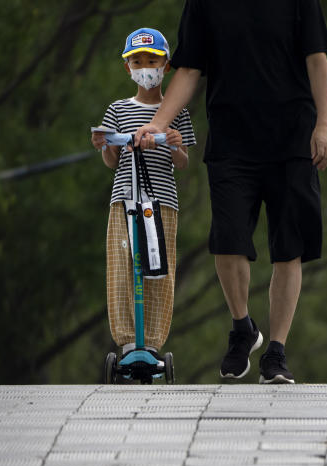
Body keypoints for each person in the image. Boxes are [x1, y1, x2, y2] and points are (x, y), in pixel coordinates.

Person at [133, 1, 327, 384]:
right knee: (227, 240)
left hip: (293, 138)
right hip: (231, 139)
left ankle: (276, 352)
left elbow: (316, 60)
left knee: (288, 246)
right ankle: (242, 327)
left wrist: (323, 125)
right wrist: (157, 124)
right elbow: (190, 68)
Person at [92, 27, 196, 359]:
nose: (145, 67)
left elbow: (182, 163)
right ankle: (126, 341)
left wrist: (176, 145)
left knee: (159, 266)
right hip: (124, 199)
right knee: (123, 265)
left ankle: (151, 341)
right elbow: (112, 161)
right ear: (128, 68)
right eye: (137, 61)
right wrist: (106, 144)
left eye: (151, 60)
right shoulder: (118, 110)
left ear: (166, 66)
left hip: (162, 200)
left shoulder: (176, 109)